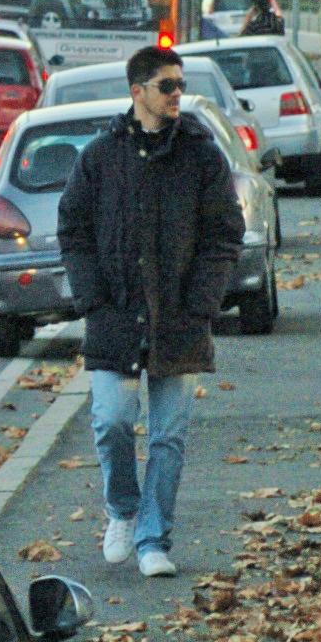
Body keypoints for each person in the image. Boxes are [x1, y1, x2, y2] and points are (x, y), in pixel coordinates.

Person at [56, 45, 245, 579]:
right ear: (137, 92)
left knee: (168, 434)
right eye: (167, 86)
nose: (176, 95)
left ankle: (153, 539)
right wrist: (92, 299)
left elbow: (223, 233)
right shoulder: (100, 156)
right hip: (115, 315)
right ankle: (122, 509)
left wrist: (203, 302)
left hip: (180, 317)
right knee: (112, 420)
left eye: (179, 85)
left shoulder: (202, 156)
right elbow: (73, 230)